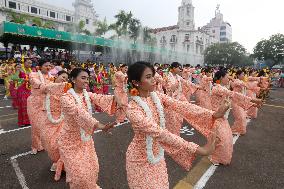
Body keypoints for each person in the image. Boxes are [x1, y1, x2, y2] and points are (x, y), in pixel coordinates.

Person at [125, 61, 228, 189]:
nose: (154, 80)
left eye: (153, 75)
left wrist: (213, 114)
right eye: (148, 77)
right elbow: (160, 133)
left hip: (158, 156)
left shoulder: (156, 96)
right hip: (139, 160)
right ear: (136, 82)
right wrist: (198, 149)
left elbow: (182, 106)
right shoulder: (133, 109)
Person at [57, 68, 119, 189]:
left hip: (85, 140)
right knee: (79, 174)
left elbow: (102, 98)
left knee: (92, 168)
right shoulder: (65, 98)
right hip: (70, 141)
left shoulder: (87, 95)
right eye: (83, 78)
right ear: (73, 79)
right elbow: (79, 112)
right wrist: (99, 125)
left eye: (87, 78)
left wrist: (118, 96)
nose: (87, 81)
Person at [39, 71, 69, 181]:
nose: (64, 80)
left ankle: (64, 165)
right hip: (49, 120)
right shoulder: (48, 85)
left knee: (61, 143)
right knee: (50, 144)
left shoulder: (66, 90)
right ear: (56, 76)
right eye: (63, 77)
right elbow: (43, 89)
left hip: (63, 120)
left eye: (66, 78)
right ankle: (57, 162)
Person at [27, 59, 53, 154]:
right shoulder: (33, 74)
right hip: (35, 102)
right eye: (46, 65)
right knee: (35, 125)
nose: (48, 67)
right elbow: (36, 83)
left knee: (44, 125)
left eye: (50, 66)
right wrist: (46, 86)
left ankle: (43, 143)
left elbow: (54, 87)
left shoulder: (51, 76)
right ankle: (35, 145)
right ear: (40, 66)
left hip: (47, 102)